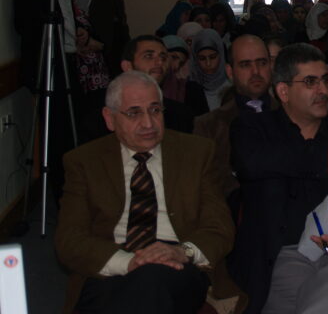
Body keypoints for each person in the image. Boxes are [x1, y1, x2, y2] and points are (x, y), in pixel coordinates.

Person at [228, 43, 328, 314]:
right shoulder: (255, 130)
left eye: (325, 80)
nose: (323, 90)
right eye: (310, 82)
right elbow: (250, 163)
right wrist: (320, 156)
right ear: (283, 91)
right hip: (280, 258)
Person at [55, 71, 235, 314]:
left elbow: (220, 228)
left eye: (155, 110)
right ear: (110, 118)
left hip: (177, 266)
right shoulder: (84, 162)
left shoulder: (197, 153)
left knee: (152, 280)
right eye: (134, 113)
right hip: (111, 266)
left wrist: (182, 251)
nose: (149, 123)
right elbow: (69, 239)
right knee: (135, 290)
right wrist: (129, 261)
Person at [194, 34, 274, 213]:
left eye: (262, 63)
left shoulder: (293, 114)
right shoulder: (208, 126)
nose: (256, 71)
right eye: (245, 64)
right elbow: (207, 189)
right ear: (230, 72)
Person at [119, 35, 196, 133]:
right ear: (128, 66)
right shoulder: (110, 109)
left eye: (163, 57)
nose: (159, 62)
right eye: (149, 56)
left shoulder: (180, 114)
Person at [189, 28, 231, 112]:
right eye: (202, 58)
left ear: (221, 55)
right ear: (195, 60)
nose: (208, 63)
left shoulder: (233, 86)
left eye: (212, 57)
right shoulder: (189, 89)